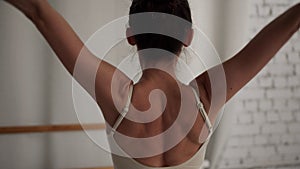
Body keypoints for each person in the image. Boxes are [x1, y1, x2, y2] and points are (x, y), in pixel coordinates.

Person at [3, 0, 300, 168]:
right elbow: (268, 39)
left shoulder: (118, 97)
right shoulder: (206, 98)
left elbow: (40, 12)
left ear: (131, 35)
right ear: (188, 37)